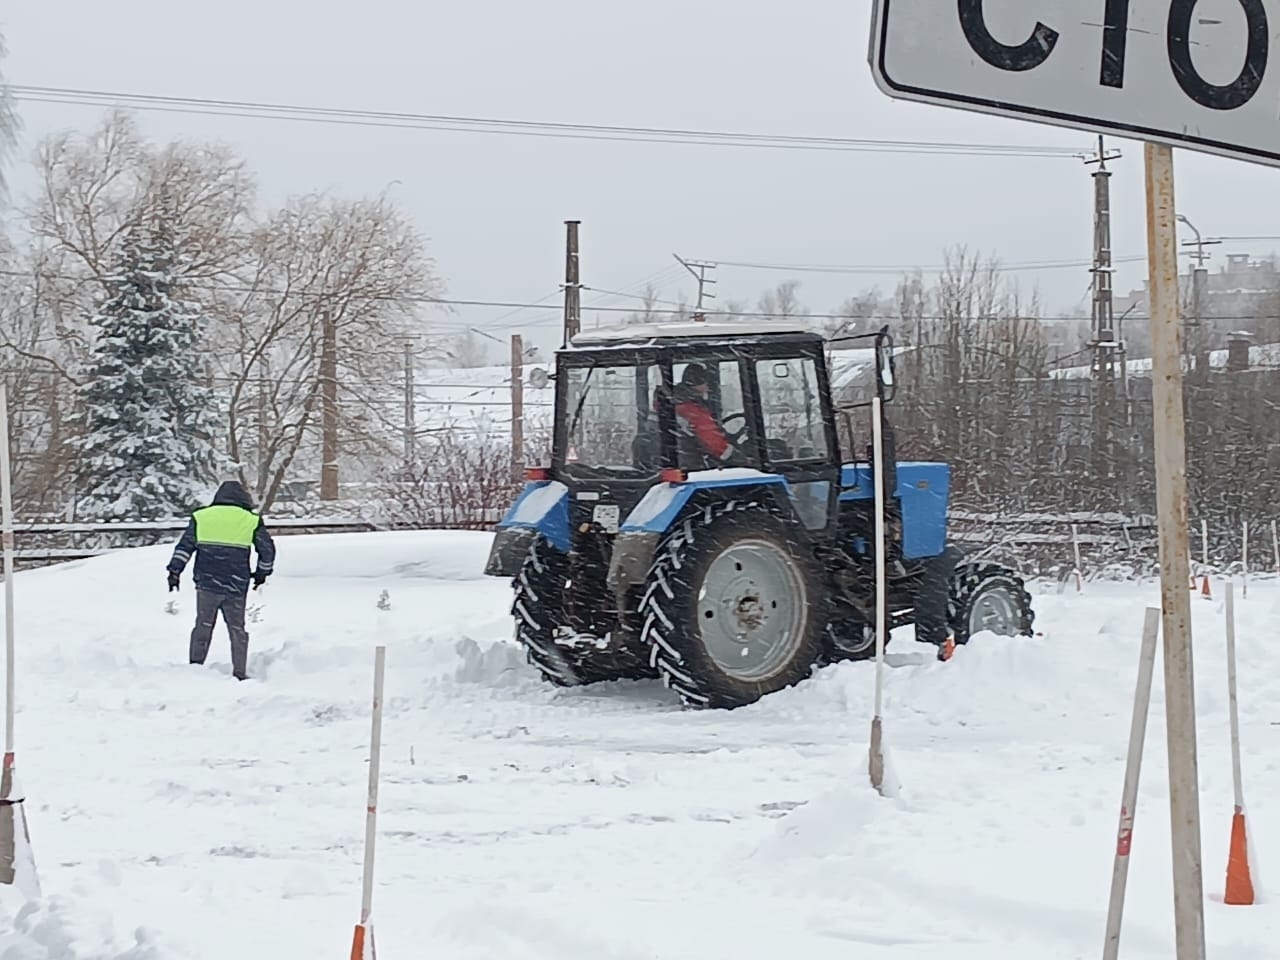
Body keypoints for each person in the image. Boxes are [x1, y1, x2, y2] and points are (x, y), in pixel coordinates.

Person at [166, 480, 276, 681]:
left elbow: (184, 547)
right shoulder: (250, 520)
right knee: (237, 629)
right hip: (236, 582)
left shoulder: (202, 517)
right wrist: (262, 574)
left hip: (207, 581)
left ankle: (195, 667)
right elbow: (267, 550)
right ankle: (240, 673)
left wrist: (175, 571)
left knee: (203, 625)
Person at [672, 363, 735, 464]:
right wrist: (733, 454)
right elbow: (714, 442)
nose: (707, 387)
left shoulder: (678, 403)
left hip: (686, 458)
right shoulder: (692, 410)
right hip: (694, 463)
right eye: (706, 382)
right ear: (697, 383)